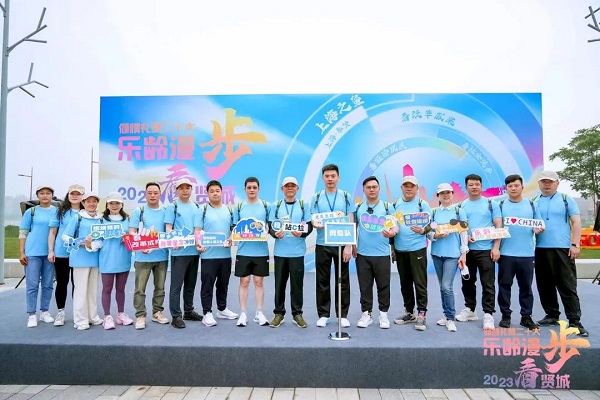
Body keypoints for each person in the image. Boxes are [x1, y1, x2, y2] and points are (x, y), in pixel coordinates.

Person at [534, 170, 588, 337]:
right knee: (544, 284)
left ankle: (575, 321)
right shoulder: (534, 201)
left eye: (550, 181)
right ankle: (551, 315)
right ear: (539, 183)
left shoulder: (566, 199)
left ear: (557, 183)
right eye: (544, 181)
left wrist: (575, 244)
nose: (547, 184)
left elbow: (576, 222)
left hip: (562, 248)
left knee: (567, 285)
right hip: (540, 248)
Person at [497, 175, 543, 330]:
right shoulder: (500, 205)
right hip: (506, 254)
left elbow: (538, 225)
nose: (513, 188)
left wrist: (538, 229)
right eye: (510, 186)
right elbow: (496, 227)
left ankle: (526, 316)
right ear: (506, 189)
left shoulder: (532, 205)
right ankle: (505, 316)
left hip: (527, 254)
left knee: (526, 288)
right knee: (504, 286)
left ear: (522, 187)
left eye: (516, 185)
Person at [455, 173, 501, 331]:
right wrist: (465, 237)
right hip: (467, 251)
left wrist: (496, 247)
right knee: (467, 282)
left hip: (486, 250)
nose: (474, 187)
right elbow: (459, 228)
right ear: (466, 187)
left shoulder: (491, 204)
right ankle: (470, 309)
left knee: (488, 283)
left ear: (481, 186)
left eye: (477, 184)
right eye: (471, 184)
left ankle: (488, 314)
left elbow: (498, 226)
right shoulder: (461, 206)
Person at [310, 164, 354, 328]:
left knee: (343, 280)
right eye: (327, 176)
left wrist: (349, 245)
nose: (330, 179)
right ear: (323, 178)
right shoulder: (316, 197)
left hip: (342, 243)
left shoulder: (346, 196)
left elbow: (351, 220)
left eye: (333, 176)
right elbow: (313, 219)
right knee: (322, 280)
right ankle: (324, 314)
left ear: (338, 178)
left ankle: (342, 315)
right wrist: (315, 223)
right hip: (322, 244)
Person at [352, 176, 396, 329]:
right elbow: (353, 227)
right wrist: (352, 244)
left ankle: (383, 314)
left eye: (374, 187)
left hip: (382, 254)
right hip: (362, 254)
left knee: (384, 285)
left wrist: (392, 233)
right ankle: (366, 314)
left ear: (379, 189)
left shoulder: (387, 207)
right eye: (368, 187)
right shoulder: (358, 207)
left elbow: (395, 226)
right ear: (364, 190)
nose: (372, 189)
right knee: (365, 286)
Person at [268, 176, 313, 328]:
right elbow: (271, 226)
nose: (290, 188)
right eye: (287, 186)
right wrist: (276, 234)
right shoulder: (276, 205)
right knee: (279, 284)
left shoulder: (303, 205)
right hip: (280, 252)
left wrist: (302, 233)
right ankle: (279, 314)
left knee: (297, 285)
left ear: (297, 188)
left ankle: (297, 314)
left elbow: (309, 226)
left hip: (297, 252)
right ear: (282, 189)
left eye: (293, 185)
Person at [195, 180, 239, 327]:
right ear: (207, 194)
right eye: (212, 191)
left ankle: (222, 309)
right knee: (207, 285)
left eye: (217, 191)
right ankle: (207, 313)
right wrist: (198, 243)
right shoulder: (203, 210)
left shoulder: (228, 210)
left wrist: (231, 239)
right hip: (208, 255)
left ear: (221, 192)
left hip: (225, 255)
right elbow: (197, 230)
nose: (215, 193)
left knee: (223, 284)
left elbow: (233, 229)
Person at [392, 176, 432, 331]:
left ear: (417, 188)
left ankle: (422, 313)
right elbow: (391, 226)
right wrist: (392, 248)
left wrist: (423, 230)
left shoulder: (423, 204)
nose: (409, 188)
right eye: (406, 186)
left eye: (412, 186)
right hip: (400, 250)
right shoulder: (395, 205)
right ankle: (409, 312)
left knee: (420, 283)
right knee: (405, 283)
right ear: (401, 188)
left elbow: (431, 224)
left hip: (417, 249)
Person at [129, 182, 170, 329]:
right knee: (140, 289)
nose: (152, 195)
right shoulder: (139, 211)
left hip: (162, 256)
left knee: (160, 288)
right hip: (142, 257)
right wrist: (141, 246)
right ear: (145, 194)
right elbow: (132, 232)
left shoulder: (166, 211)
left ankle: (157, 312)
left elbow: (169, 232)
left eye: (155, 193)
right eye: (149, 193)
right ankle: (140, 315)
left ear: (160, 194)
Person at [428, 183, 468, 333]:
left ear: (452, 194)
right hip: (437, 254)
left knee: (446, 286)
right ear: (438, 196)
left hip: (453, 255)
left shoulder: (459, 212)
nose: (445, 195)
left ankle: (450, 318)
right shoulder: (433, 212)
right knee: (442, 287)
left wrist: (463, 253)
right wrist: (436, 235)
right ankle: (446, 315)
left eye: (448, 192)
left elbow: (464, 233)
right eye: (442, 193)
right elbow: (429, 232)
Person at [164, 178, 203, 329]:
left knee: (190, 284)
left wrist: (198, 243)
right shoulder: (172, 207)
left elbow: (198, 229)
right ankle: (176, 316)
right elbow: (168, 227)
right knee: (176, 286)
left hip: (193, 252)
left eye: (188, 188)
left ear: (191, 190)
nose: (185, 190)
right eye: (181, 188)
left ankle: (188, 311)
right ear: (177, 190)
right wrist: (173, 241)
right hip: (178, 253)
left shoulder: (197, 207)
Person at [233, 177, 271, 327]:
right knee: (244, 282)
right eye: (249, 187)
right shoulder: (239, 207)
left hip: (261, 252)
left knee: (258, 282)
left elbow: (270, 225)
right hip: (243, 251)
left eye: (254, 187)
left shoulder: (266, 206)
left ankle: (259, 313)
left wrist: (268, 230)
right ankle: (243, 313)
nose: (252, 190)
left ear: (258, 189)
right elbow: (234, 228)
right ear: (245, 190)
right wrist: (231, 238)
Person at [62, 192, 103, 330]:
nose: (91, 204)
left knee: (92, 290)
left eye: (94, 201)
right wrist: (78, 242)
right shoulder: (77, 218)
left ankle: (92, 317)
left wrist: (92, 245)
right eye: (88, 201)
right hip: (79, 259)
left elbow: (102, 239)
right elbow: (65, 236)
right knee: (80, 290)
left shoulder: (101, 219)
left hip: (95, 259)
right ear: (83, 203)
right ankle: (80, 320)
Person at [19, 185, 58, 327]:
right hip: (32, 253)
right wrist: (22, 252)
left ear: (52, 195)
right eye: (42, 193)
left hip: (50, 253)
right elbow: (23, 232)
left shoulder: (57, 211)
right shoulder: (31, 212)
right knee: (32, 285)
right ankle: (31, 314)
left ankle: (44, 312)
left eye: (48, 193)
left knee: (48, 284)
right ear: (38, 196)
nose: (45, 196)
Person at [48, 184, 85, 327]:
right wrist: (51, 250)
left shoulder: (86, 212)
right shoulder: (61, 211)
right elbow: (52, 232)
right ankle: (60, 312)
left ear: (82, 196)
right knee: (62, 283)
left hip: (80, 254)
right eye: (72, 193)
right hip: (62, 253)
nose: (75, 196)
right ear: (68, 195)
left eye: (78, 194)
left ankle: (78, 313)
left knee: (78, 284)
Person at [97, 192, 133, 330]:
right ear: (107, 205)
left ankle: (121, 314)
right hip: (107, 259)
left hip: (123, 258)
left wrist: (128, 238)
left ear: (121, 204)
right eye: (111, 203)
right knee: (107, 289)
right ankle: (107, 316)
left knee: (121, 289)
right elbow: (96, 240)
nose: (114, 206)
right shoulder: (101, 220)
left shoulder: (128, 219)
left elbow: (133, 237)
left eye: (117, 203)